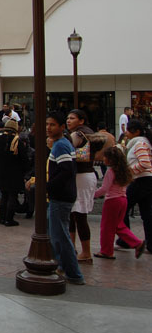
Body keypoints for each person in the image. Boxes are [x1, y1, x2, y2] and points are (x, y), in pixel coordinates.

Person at [45, 111, 84, 285]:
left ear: (61, 127)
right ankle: (59, 264)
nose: (48, 127)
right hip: (61, 196)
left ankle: (73, 273)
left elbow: (67, 170)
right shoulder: (62, 144)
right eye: (47, 124)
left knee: (60, 235)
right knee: (56, 233)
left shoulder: (61, 145)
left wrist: (48, 186)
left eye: (52, 124)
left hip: (61, 197)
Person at [93, 146, 145, 259]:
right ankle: (136, 243)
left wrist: (92, 195)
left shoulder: (110, 172)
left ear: (110, 159)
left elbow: (104, 189)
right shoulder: (124, 171)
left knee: (107, 227)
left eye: (105, 157)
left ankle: (106, 251)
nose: (103, 158)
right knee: (118, 226)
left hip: (112, 201)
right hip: (123, 199)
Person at [66, 109, 98, 264]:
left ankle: (85, 252)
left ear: (82, 120)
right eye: (68, 118)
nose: (68, 120)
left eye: (72, 118)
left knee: (78, 214)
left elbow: (67, 147)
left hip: (82, 176)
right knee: (74, 213)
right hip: (84, 175)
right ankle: (72, 247)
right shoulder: (88, 132)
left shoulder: (79, 133)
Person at [119, 119, 152, 255]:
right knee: (147, 214)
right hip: (146, 181)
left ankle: (126, 240)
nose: (126, 133)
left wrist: (129, 171)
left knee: (122, 209)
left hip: (140, 181)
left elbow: (145, 163)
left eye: (128, 130)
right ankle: (150, 243)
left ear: (136, 132)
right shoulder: (143, 143)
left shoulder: (139, 144)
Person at [0, 120, 29, 226]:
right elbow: (24, 158)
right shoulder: (17, 140)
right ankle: (9, 219)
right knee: (12, 195)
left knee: (4, 195)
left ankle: (1, 217)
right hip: (15, 172)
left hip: (2, 170)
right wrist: (25, 170)